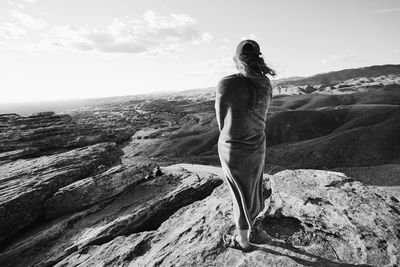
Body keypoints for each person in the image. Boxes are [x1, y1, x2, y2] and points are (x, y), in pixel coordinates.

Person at [215, 39, 275, 251]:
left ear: (237, 60)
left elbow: (221, 122)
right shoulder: (266, 83)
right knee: (253, 188)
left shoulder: (227, 83)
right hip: (257, 144)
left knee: (238, 194)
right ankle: (254, 227)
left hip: (232, 147)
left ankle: (243, 240)